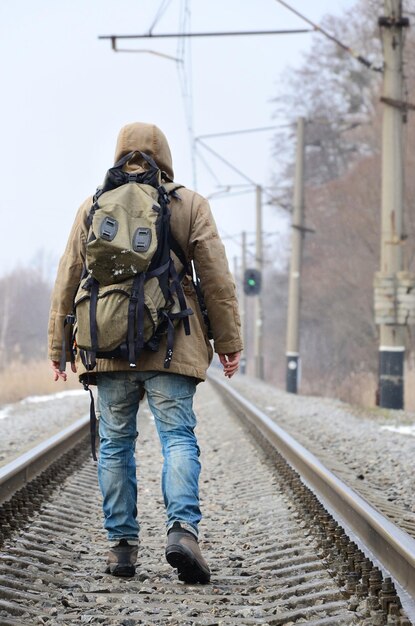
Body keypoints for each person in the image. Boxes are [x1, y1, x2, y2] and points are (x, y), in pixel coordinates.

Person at [48, 122, 243, 584]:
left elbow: (68, 278)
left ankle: (121, 548)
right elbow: (216, 280)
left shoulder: (94, 205)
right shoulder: (189, 203)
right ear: (167, 156)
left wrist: (60, 348)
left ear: (118, 155)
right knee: (177, 436)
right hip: (172, 344)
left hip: (108, 347)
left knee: (115, 443)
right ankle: (182, 532)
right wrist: (229, 344)